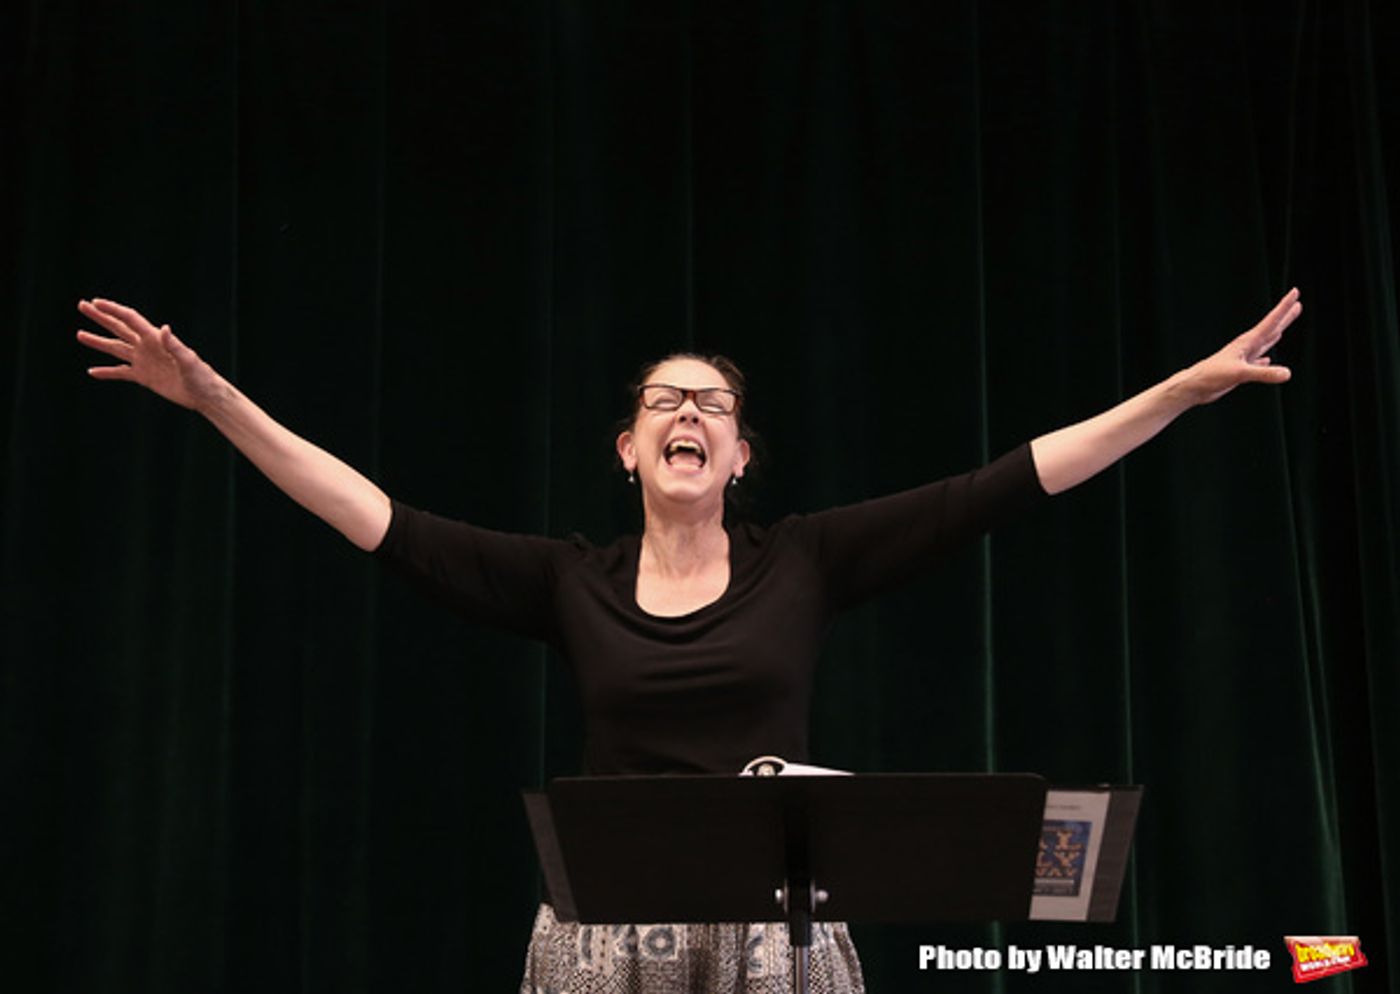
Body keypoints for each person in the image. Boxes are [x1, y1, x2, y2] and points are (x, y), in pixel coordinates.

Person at [75, 289, 1302, 993]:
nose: (687, 412)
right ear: (628, 449)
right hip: (607, 932)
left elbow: (1008, 481)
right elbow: (373, 516)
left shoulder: (803, 559)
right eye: (664, 400)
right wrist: (211, 397)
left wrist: (1180, 389)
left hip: (775, 928)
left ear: (738, 455)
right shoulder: (569, 579)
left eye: (711, 404)